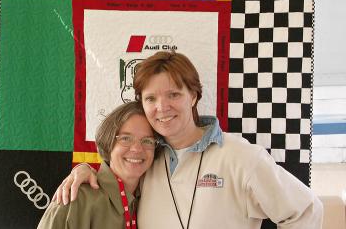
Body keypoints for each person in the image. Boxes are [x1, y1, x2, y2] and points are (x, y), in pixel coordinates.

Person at [54, 51, 323, 228]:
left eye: (173, 94)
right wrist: (84, 170)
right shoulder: (147, 159)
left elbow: (307, 211)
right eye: (151, 98)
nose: (162, 107)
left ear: (193, 96)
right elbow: (116, 178)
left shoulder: (240, 156)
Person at [38, 101, 156, 229]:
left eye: (147, 141)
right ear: (108, 142)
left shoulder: (152, 199)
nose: (137, 149)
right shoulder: (75, 199)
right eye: (125, 138)